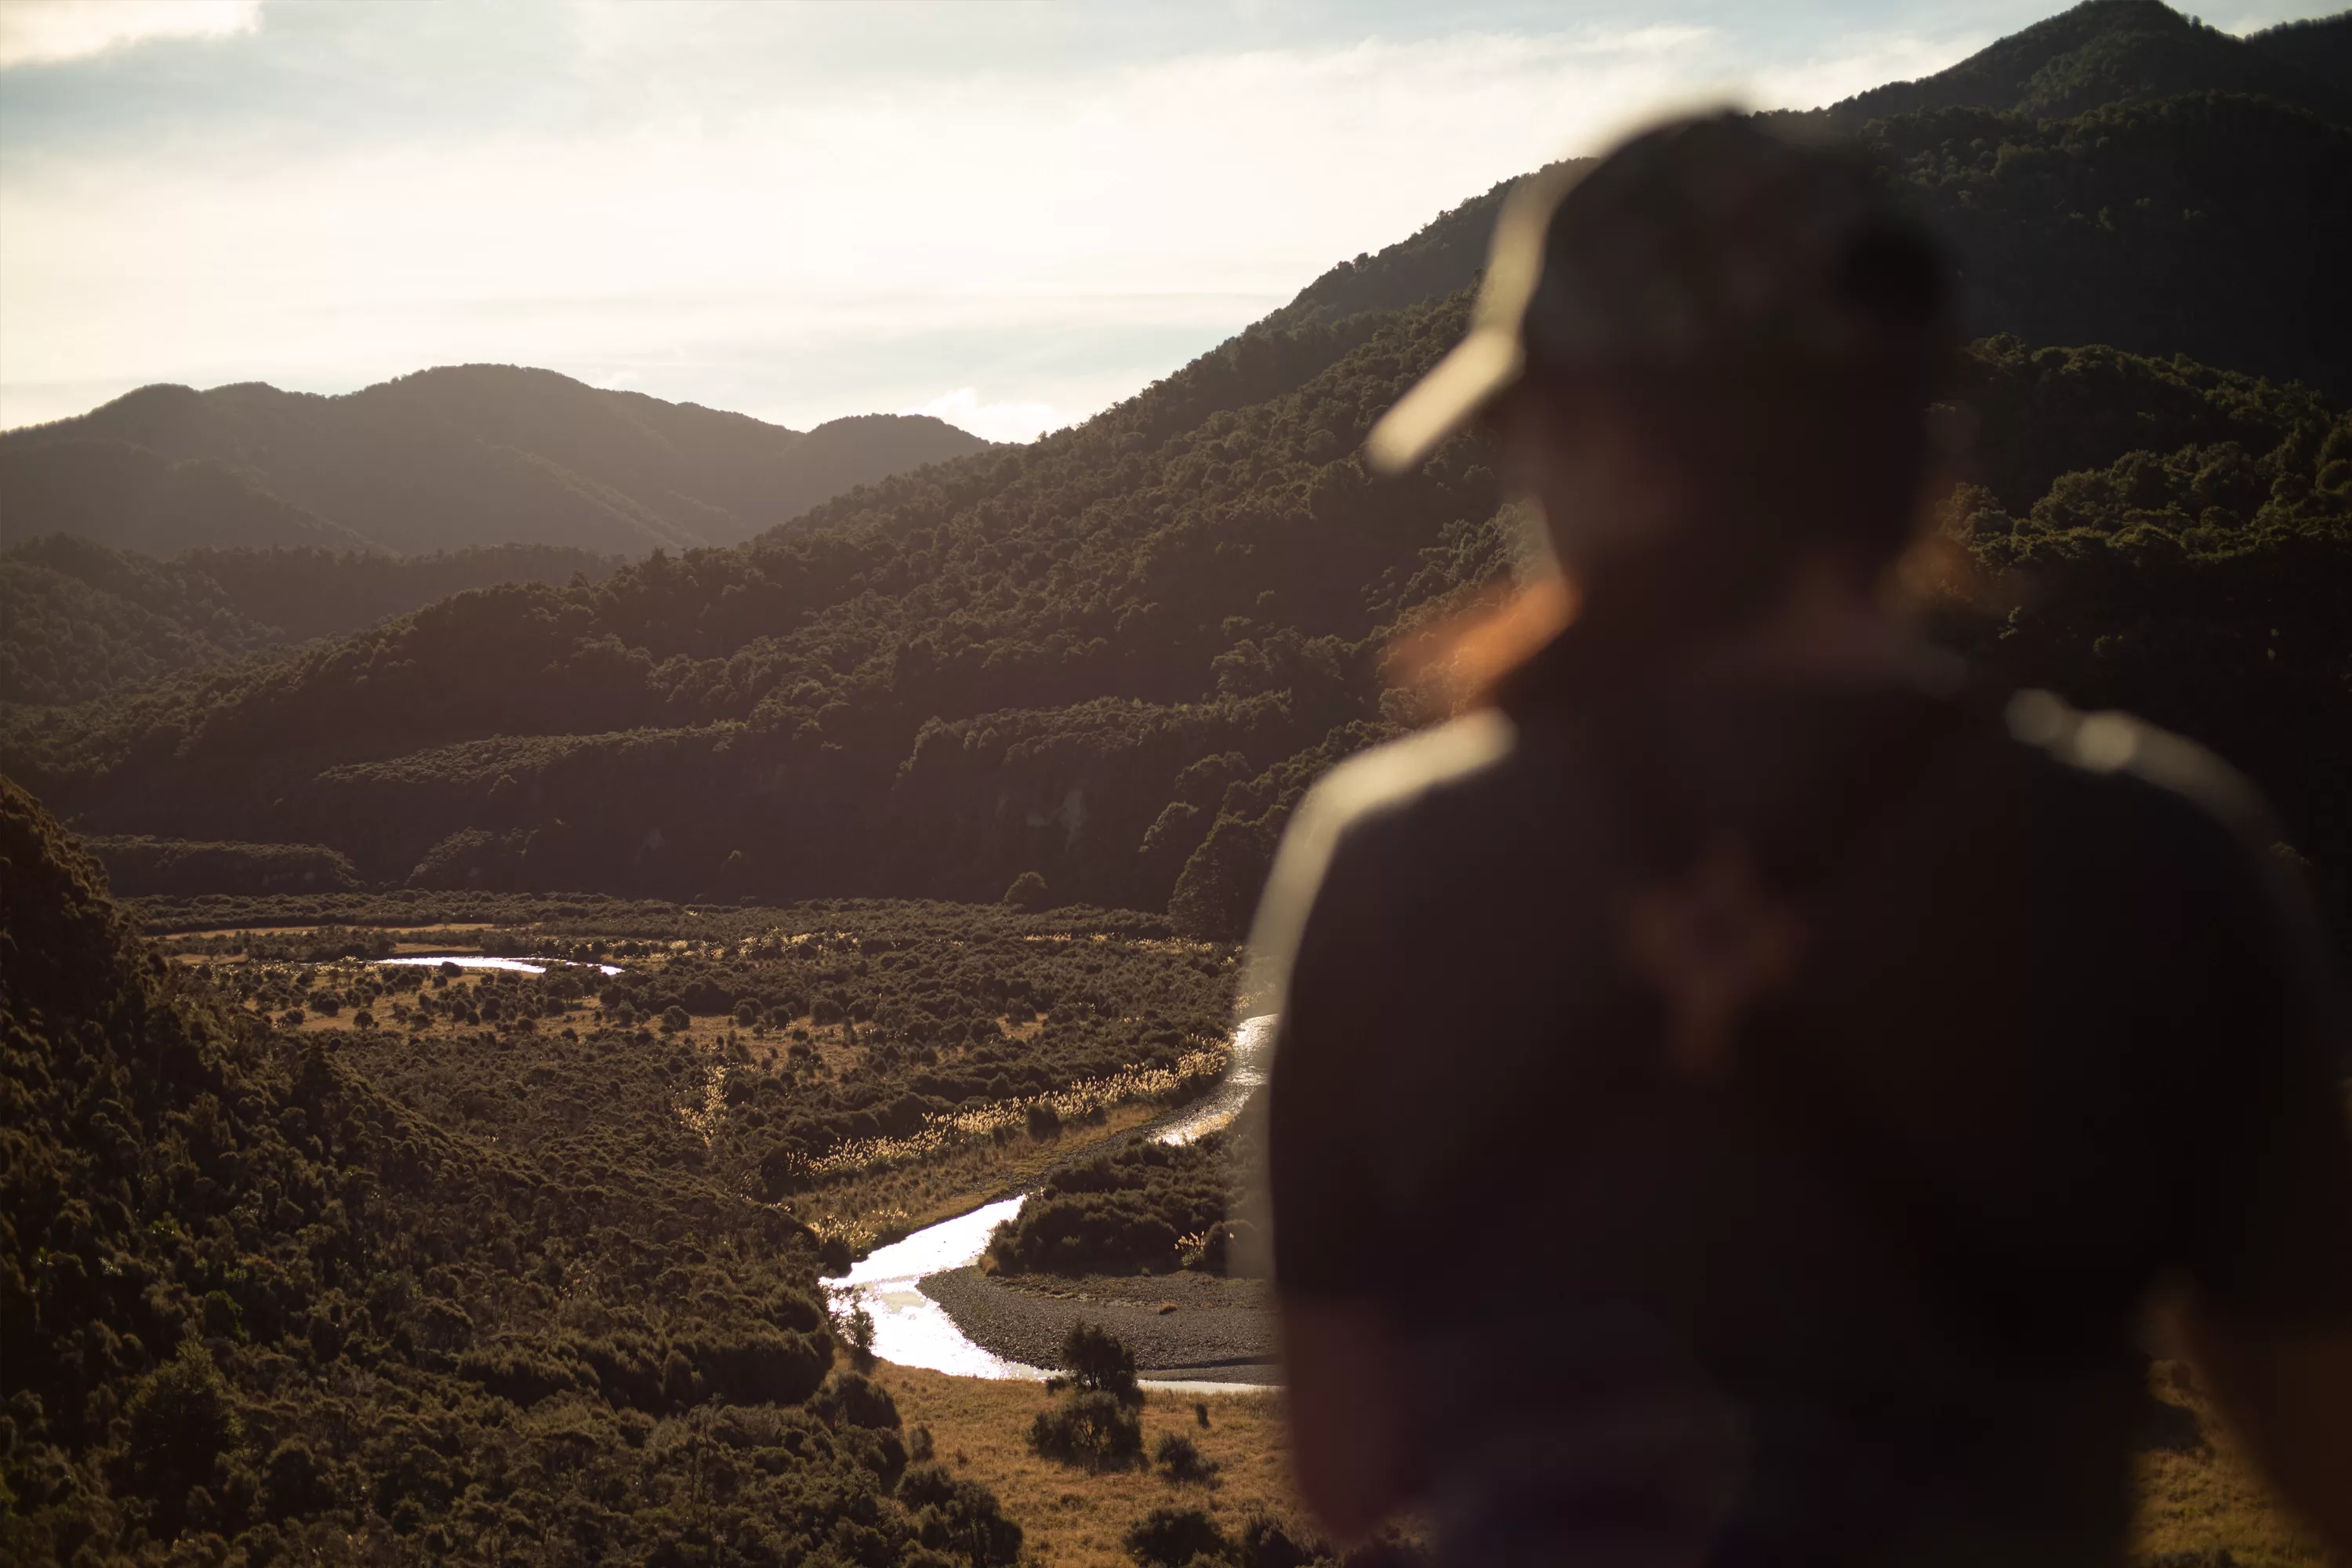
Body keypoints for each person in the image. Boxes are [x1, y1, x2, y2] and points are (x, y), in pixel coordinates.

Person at [1252, 113, 2352, 1565]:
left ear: (1626, 451)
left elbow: (1343, 1467)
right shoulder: (2161, 853)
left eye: (1523, 432)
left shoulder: (1386, 856)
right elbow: (2324, 1448)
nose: (1516, 486)